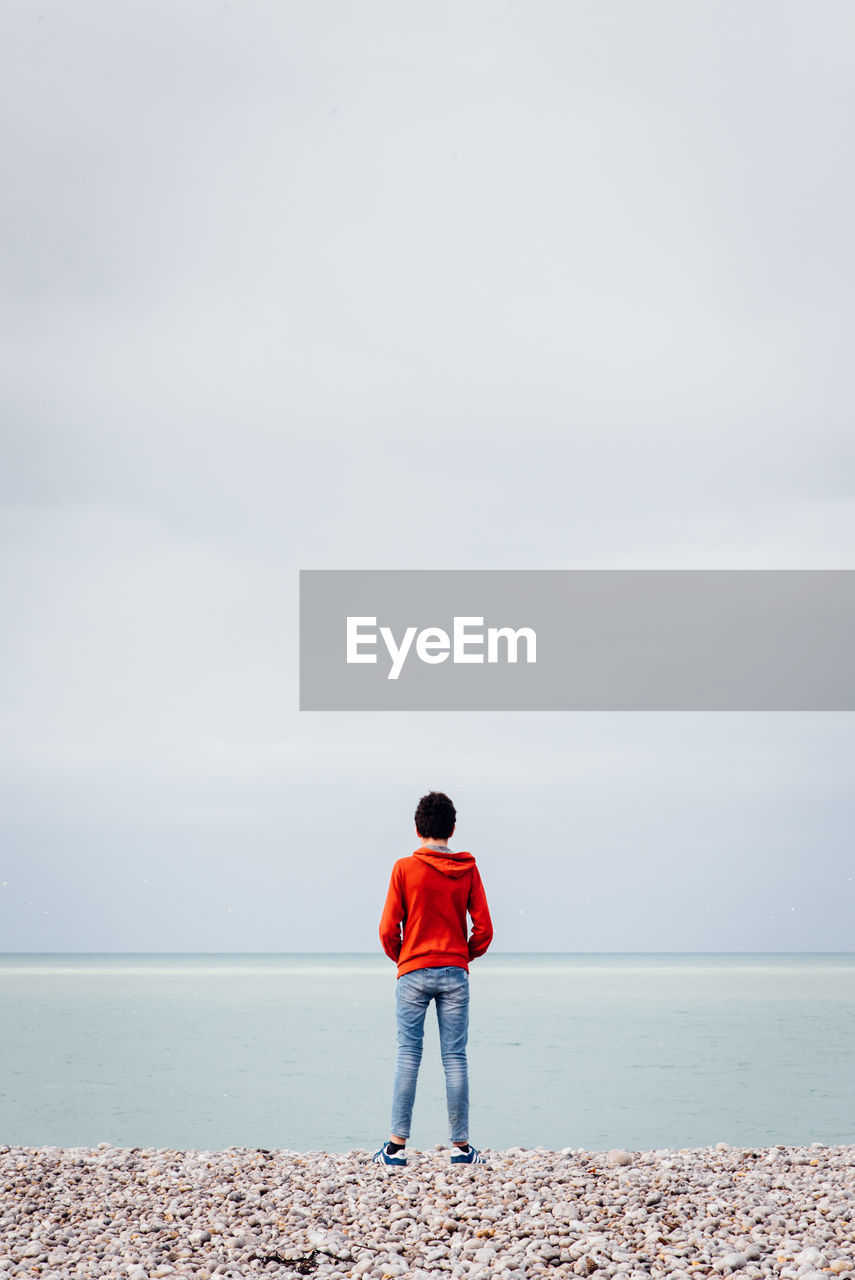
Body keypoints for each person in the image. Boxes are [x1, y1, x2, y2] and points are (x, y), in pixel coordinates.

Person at [372, 790, 493, 1167]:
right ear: (452, 829)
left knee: (408, 1055)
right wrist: (461, 955)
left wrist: (404, 957)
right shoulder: (468, 869)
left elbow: (387, 929)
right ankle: (461, 1149)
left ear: (417, 829)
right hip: (454, 970)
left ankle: (394, 1150)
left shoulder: (403, 869)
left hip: (413, 970)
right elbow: (484, 930)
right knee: (454, 1057)